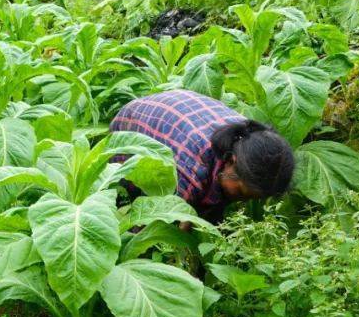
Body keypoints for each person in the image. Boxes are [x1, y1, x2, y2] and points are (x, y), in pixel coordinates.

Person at [110, 90, 295, 223]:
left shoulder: (247, 138)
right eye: (240, 193)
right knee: (139, 206)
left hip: (180, 110)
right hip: (131, 124)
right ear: (231, 161)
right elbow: (172, 223)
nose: (241, 201)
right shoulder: (191, 168)